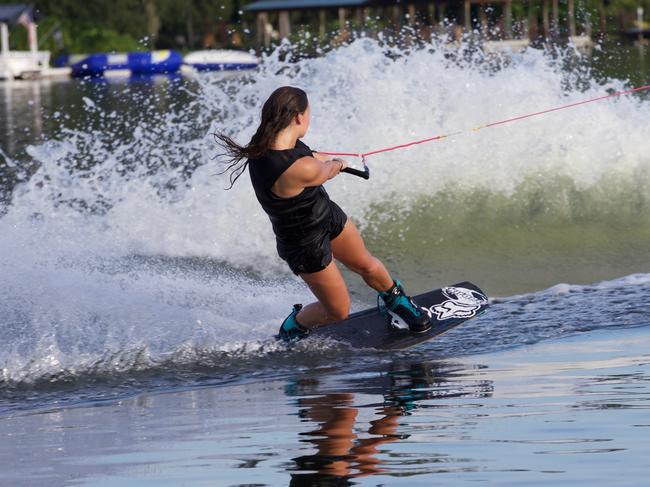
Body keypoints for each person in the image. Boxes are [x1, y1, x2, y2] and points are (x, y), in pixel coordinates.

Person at [216, 86, 431, 342]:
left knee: (367, 264)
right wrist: (338, 164)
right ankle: (293, 325)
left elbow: (311, 155)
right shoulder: (294, 168)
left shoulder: (277, 144)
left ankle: (396, 301)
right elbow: (322, 170)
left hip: (326, 215)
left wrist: (328, 159)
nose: (309, 120)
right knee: (338, 311)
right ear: (298, 117)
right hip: (304, 243)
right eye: (308, 115)